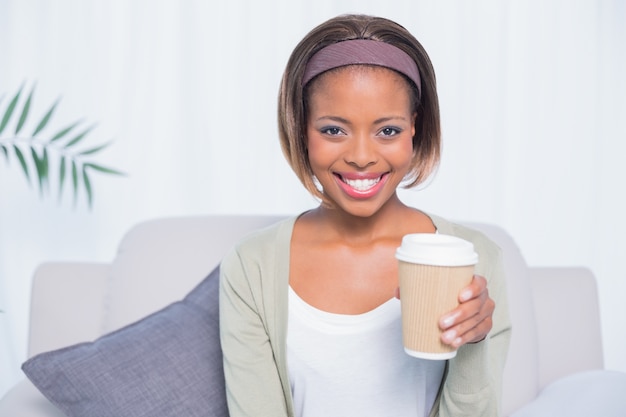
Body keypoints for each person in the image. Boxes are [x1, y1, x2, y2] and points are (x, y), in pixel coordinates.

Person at [219, 13, 511, 417]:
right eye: (333, 130)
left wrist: (474, 344)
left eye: (387, 130)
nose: (360, 157)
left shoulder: (474, 257)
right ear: (301, 129)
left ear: (415, 128)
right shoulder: (252, 265)